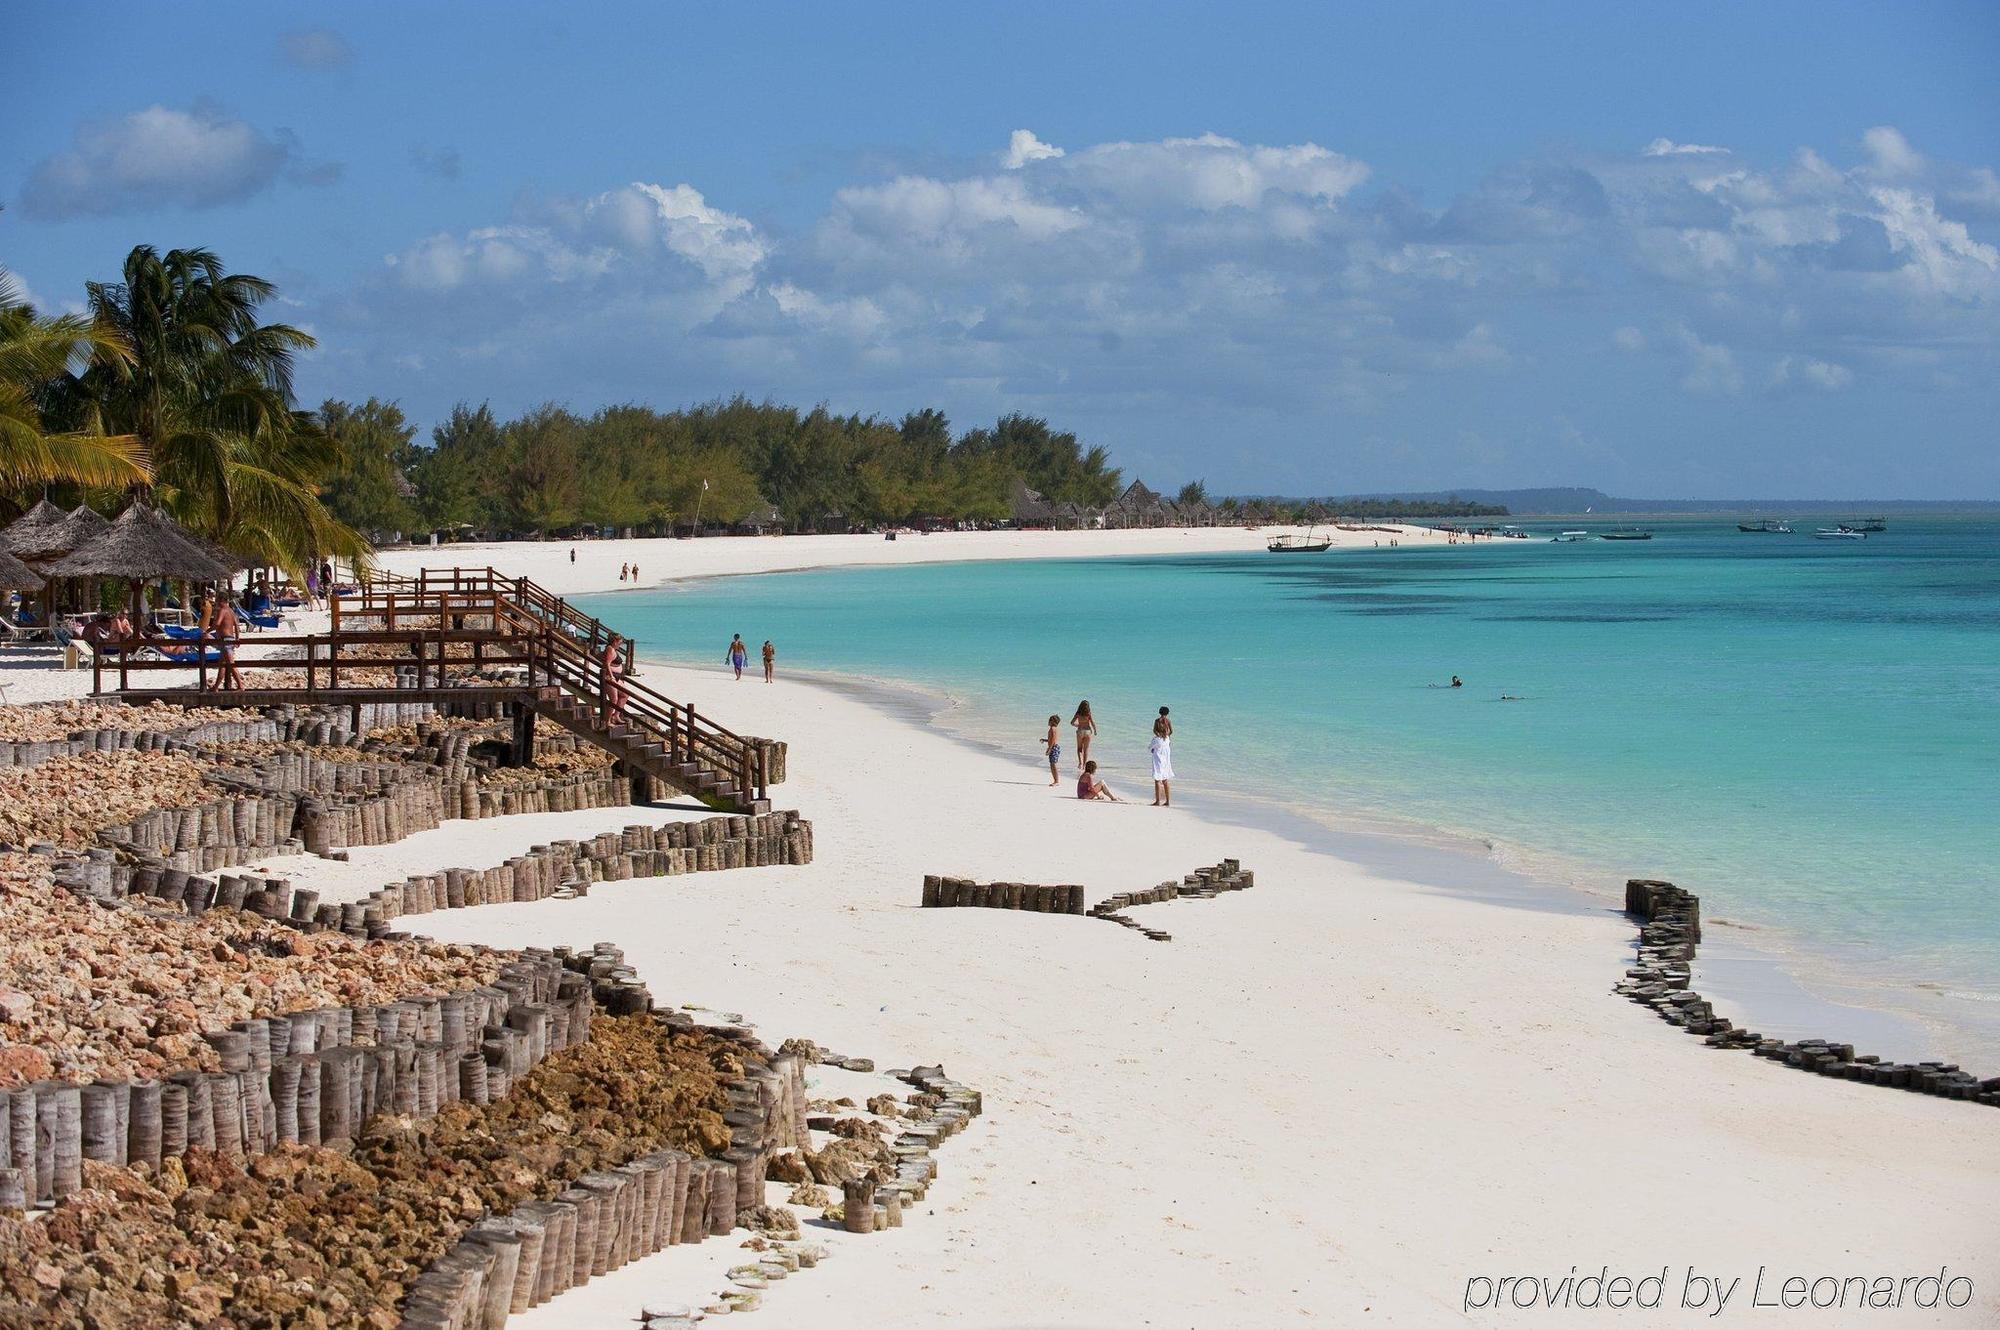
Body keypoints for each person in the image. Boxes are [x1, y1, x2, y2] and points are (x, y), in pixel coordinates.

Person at [1150, 707, 1174, 807]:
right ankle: (1168, 801)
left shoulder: (1156, 738)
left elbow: (1151, 747)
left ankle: (1158, 801)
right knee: (1165, 778)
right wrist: (1166, 735)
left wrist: (1158, 735)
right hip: (1166, 753)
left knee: (1157, 778)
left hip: (1158, 755)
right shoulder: (1167, 738)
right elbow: (1171, 731)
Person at [601, 632, 627, 724]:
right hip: (610, 677)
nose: (621, 644)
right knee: (614, 699)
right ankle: (607, 721)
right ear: (615, 641)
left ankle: (616, 716)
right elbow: (607, 663)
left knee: (624, 695)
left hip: (617, 677)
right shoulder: (610, 649)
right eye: (620, 642)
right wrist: (611, 676)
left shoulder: (614, 650)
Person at [1071, 700, 1098, 772]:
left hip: (1080, 731)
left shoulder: (1078, 713)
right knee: (1086, 750)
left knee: (1079, 748)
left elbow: (1072, 722)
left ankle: (1080, 762)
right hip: (1088, 732)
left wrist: (1078, 725)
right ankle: (1084, 766)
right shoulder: (1088, 714)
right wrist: (1095, 731)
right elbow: (1092, 723)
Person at [1041, 714, 1062, 786]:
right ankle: (1056, 780)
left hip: (1053, 747)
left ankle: (1056, 781)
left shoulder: (1053, 729)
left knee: (1053, 764)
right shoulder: (1053, 729)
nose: (1048, 721)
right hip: (1054, 747)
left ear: (1053, 722)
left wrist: (1049, 748)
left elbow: (1053, 740)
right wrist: (1045, 740)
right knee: (1052, 764)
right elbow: (1051, 739)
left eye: (1050, 720)